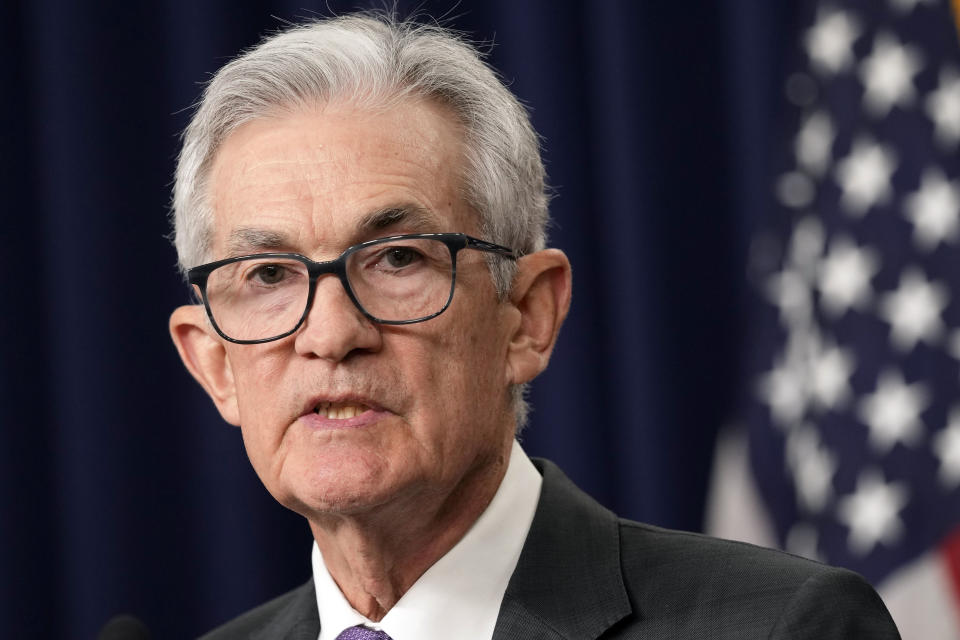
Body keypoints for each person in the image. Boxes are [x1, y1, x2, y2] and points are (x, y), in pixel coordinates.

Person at [168, 12, 900, 640]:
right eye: (267, 275)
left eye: (395, 259)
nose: (330, 333)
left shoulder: (782, 628)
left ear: (527, 316)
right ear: (214, 365)